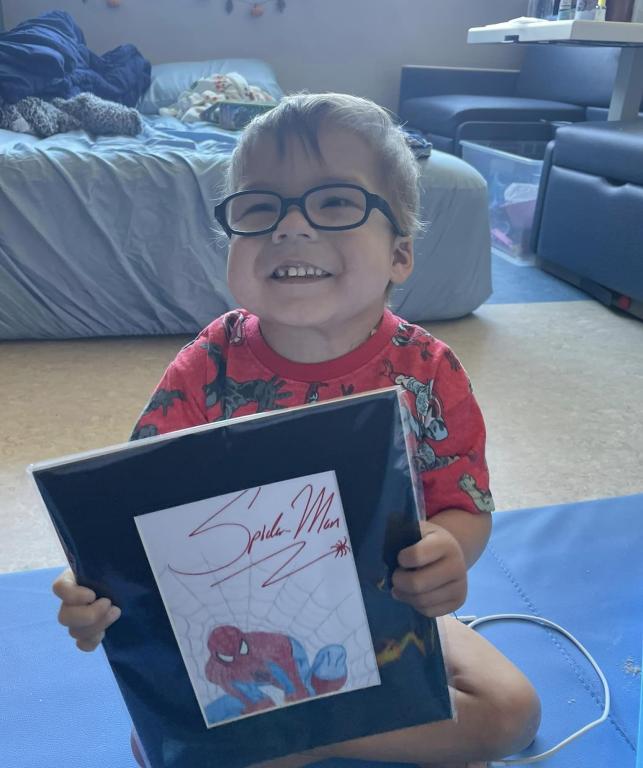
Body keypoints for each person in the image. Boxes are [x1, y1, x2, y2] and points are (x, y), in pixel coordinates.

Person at [52, 92, 540, 768]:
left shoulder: (426, 370)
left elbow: (464, 500)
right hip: (238, 629)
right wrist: (93, 593)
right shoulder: (207, 364)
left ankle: (316, 728)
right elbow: (134, 511)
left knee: (509, 713)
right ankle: (325, 724)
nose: (290, 227)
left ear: (399, 256)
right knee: (165, 740)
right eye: (259, 208)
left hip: (386, 612)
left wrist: (446, 556)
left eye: (335, 202)